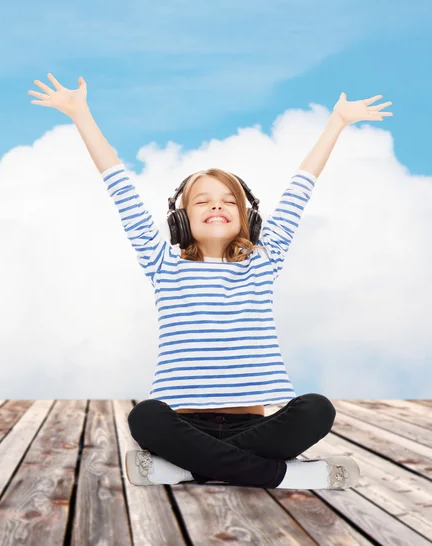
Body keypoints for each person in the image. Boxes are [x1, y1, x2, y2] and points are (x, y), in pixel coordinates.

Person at [29, 74, 392, 489]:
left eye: (227, 201)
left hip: (256, 430)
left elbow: (299, 189)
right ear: (181, 218)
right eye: (202, 201)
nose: (216, 205)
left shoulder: (263, 260)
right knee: (144, 416)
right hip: (184, 429)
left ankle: (188, 471)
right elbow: (119, 185)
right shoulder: (161, 261)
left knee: (317, 409)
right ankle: (284, 477)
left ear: (247, 217)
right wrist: (81, 115)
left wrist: (337, 123)